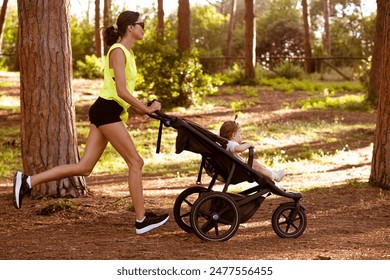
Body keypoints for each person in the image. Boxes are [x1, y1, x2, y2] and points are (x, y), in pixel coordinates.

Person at [13, 11, 169, 235]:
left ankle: (27, 181)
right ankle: (141, 220)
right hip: (106, 111)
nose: (144, 27)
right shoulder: (117, 51)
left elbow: (120, 92)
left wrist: (145, 107)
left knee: (84, 168)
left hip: (107, 110)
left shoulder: (127, 53)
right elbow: (121, 91)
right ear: (129, 28)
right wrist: (146, 109)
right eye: (140, 24)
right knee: (136, 162)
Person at [219, 119, 285, 182]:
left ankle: (272, 173)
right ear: (233, 135)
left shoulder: (225, 144)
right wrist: (249, 144)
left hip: (236, 168)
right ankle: (274, 176)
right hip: (238, 170)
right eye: (239, 134)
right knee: (257, 167)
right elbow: (239, 148)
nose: (240, 136)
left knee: (254, 163)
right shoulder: (230, 144)